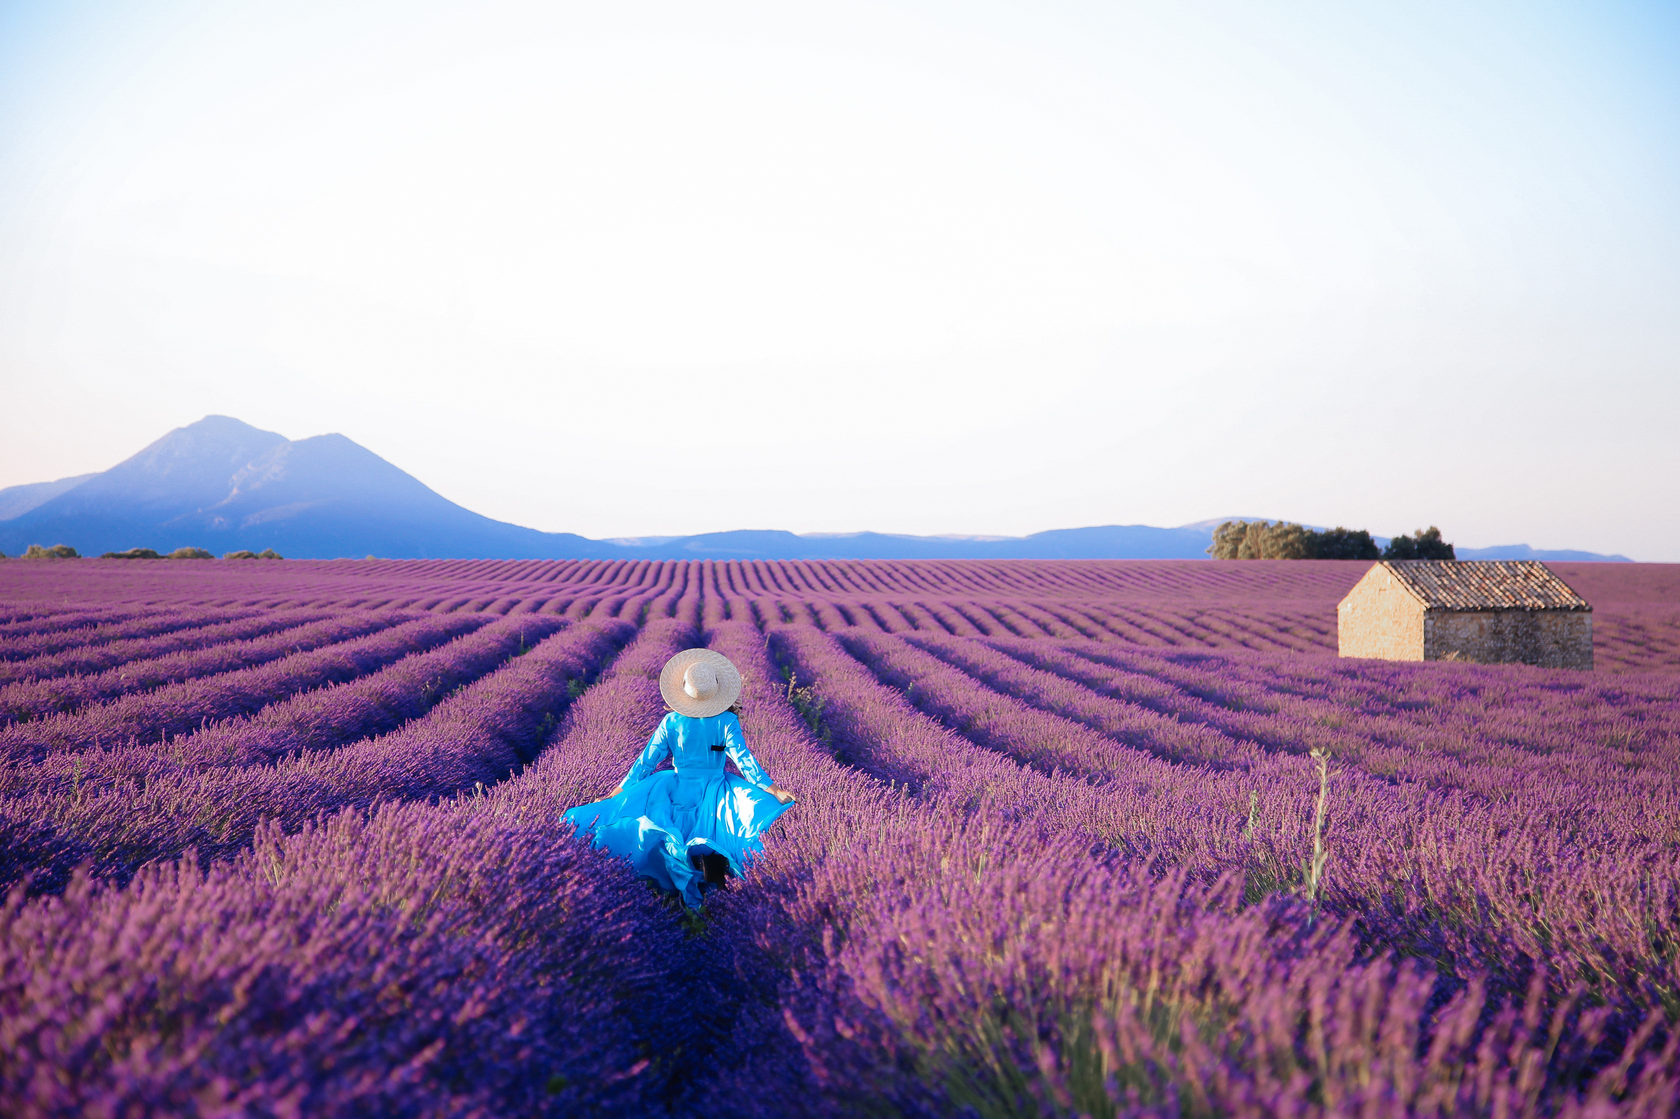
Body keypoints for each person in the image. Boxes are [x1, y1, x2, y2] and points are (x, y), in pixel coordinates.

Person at [562, 648, 796, 907]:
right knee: (729, 829)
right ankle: (714, 896)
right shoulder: (727, 720)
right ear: (717, 692)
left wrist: (618, 792)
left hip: (673, 788)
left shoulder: (671, 721)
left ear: (684, 692)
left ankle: (668, 892)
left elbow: (645, 762)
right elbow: (745, 761)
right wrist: (773, 790)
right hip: (715, 789)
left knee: (662, 830)